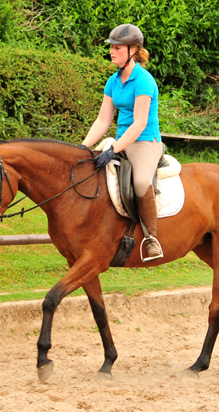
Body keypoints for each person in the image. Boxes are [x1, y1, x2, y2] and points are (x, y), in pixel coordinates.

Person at [81, 23, 164, 262]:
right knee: (88, 167)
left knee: (139, 183)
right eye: (111, 47)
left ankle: (152, 239)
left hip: (144, 142)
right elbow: (102, 120)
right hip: (121, 141)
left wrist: (114, 149)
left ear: (133, 51)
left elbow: (139, 124)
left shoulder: (144, 81)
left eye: (117, 47)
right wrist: (83, 147)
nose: (112, 51)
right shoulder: (113, 81)